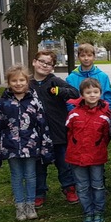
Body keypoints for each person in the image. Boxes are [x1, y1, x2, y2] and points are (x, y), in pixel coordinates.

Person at [0, 64, 53, 221]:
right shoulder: (2, 104)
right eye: (14, 81)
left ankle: (30, 205)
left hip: (31, 146)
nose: (18, 83)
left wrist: (46, 148)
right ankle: (20, 206)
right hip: (11, 147)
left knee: (31, 176)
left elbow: (42, 125)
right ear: (9, 82)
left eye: (22, 80)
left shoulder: (34, 102)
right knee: (16, 176)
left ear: (27, 81)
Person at [30, 50, 80, 208]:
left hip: (58, 130)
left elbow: (74, 93)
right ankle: (39, 192)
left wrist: (60, 91)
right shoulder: (27, 83)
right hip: (36, 133)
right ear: (34, 62)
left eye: (48, 63)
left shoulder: (55, 81)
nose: (44, 65)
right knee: (39, 165)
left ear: (52, 67)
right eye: (41, 61)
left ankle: (69, 188)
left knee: (64, 163)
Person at [65, 78, 111, 222]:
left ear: (100, 93)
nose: (92, 95)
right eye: (88, 92)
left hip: (96, 156)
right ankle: (88, 211)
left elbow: (107, 135)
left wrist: (99, 147)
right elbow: (68, 132)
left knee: (98, 185)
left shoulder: (105, 115)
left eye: (95, 92)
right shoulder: (74, 114)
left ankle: (99, 211)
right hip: (76, 156)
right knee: (82, 186)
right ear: (82, 94)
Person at [66, 43, 111, 110]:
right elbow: (68, 99)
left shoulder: (103, 77)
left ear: (94, 57)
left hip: (100, 115)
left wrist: (106, 112)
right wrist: (75, 113)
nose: (86, 58)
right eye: (82, 56)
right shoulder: (71, 78)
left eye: (89, 55)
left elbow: (109, 98)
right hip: (79, 116)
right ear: (78, 57)